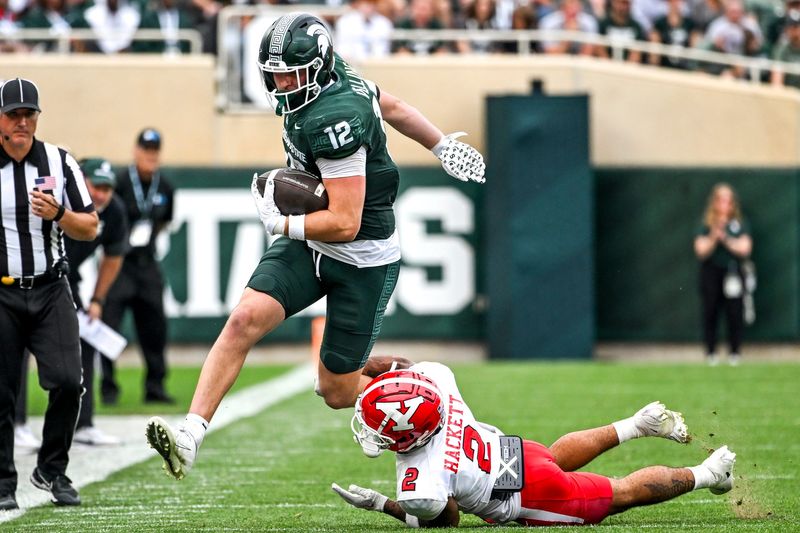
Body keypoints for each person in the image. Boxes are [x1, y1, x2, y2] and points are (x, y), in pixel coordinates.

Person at [144, 12, 485, 482]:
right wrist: (441, 144)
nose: (282, 82)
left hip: (362, 255)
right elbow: (396, 105)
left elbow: (344, 223)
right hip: (316, 242)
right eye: (275, 72)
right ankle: (190, 434)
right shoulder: (335, 74)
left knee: (337, 391)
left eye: (291, 72)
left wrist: (282, 223)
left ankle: (423, 385)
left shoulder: (335, 117)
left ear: (319, 67)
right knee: (243, 319)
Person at [334, 362, 736, 528]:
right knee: (553, 456)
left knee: (619, 495)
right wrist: (365, 364)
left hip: (527, 493)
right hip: (516, 454)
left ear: (410, 433)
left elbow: (447, 519)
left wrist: (384, 505)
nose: (374, 432)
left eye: (380, 427)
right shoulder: (435, 381)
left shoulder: (422, 479)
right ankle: (636, 425)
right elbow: (403, 366)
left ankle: (708, 473)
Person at [0, 78, 99, 510]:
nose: (22, 122)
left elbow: (91, 226)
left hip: (49, 286)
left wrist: (58, 213)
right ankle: (3, 482)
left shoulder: (59, 161)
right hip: (1, 293)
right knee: (1, 393)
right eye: (13, 114)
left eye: (29, 114)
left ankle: (51, 468)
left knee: (66, 381)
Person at [102, 128, 175, 405]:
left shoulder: (165, 187)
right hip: (121, 264)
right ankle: (108, 388)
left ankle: (154, 386)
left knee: (155, 327)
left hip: (147, 265)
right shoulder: (120, 182)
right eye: (146, 150)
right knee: (109, 325)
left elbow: (164, 221)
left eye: (154, 151)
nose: (150, 156)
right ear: (136, 151)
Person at [693, 182, 752, 366]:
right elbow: (700, 250)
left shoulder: (739, 224)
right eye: (721, 200)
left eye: (728, 200)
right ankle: (711, 353)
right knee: (710, 311)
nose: (725, 204)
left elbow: (745, 248)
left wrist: (725, 238)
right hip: (712, 272)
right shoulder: (706, 224)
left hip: (733, 271)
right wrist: (713, 236)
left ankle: (735, 353)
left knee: (734, 312)